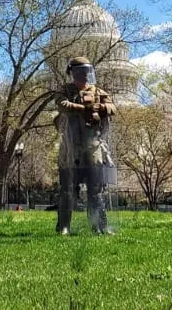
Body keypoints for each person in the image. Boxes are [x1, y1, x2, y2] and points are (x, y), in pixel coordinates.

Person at [55, 57, 116, 235]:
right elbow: (61, 104)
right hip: (71, 142)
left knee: (95, 187)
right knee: (67, 187)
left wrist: (99, 109)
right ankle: (64, 226)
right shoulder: (66, 90)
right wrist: (82, 109)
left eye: (86, 71)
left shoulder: (97, 91)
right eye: (80, 71)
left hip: (93, 143)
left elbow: (112, 107)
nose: (84, 74)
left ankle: (99, 225)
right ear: (73, 72)